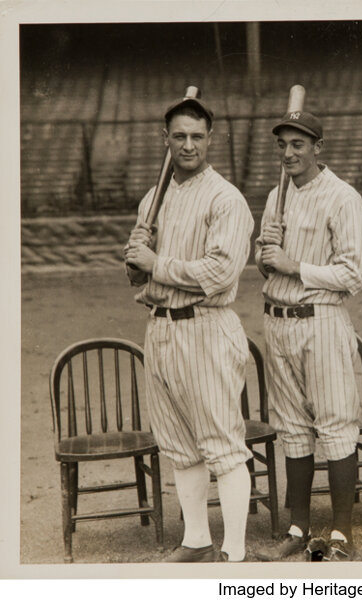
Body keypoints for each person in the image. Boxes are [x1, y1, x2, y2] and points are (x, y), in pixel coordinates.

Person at [123, 93, 254, 562]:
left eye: (197, 136)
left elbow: (219, 274)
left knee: (222, 443)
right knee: (179, 444)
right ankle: (197, 539)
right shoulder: (152, 199)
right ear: (166, 140)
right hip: (160, 328)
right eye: (179, 136)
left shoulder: (226, 199)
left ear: (210, 140)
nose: (188, 144)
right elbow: (139, 274)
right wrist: (137, 260)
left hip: (206, 328)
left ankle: (234, 553)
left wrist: (157, 263)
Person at [253, 110, 362, 562]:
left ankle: (341, 533)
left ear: (318, 147)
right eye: (282, 144)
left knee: (336, 425)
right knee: (293, 429)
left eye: (298, 144)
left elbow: (353, 273)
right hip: (277, 320)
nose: (288, 153)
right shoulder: (274, 196)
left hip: (320, 319)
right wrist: (268, 254)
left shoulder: (343, 197)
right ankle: (298, 527)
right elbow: (266, 262)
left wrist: (292, 263)